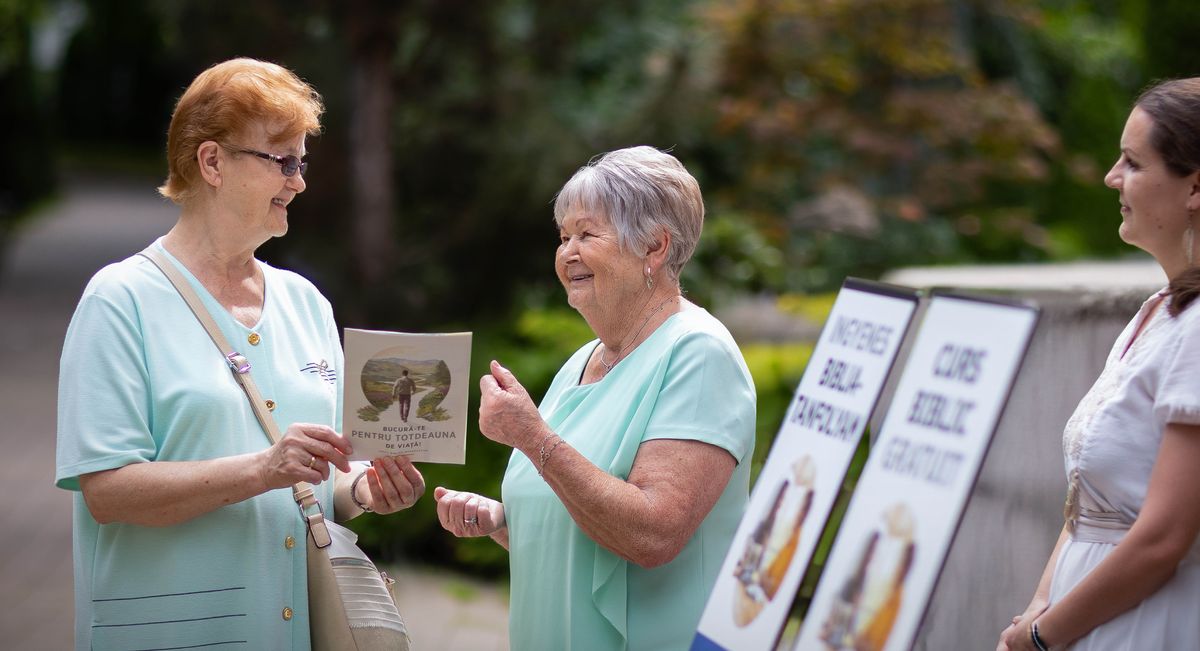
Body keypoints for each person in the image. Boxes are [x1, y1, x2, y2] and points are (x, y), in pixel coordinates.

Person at [54, 58, 425, 651]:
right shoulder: (119, 300)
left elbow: (323, 478)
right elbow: (106, 491)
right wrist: (262, 470)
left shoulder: (307, 304)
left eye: (302, 162)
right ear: (212, 162)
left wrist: (364, 492)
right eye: (282, 161)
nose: (299, 181)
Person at [435, 146, 756, 650]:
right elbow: (585, 530)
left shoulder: (699, 353)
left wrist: (531, 436)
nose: (567, 253)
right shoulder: (584, 360)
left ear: (653, 246)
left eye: (586, 234)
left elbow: (652, 535)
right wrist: (503, 521)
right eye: (563, 237)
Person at [999, 78, 1200, 650]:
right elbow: (1087, 501)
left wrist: (1040, 637)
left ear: (1195, 186)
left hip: (1152, 626)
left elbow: (1165, 537)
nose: (1112, 177)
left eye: (1133, 163)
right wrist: (1038, 607)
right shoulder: (1158, 314)